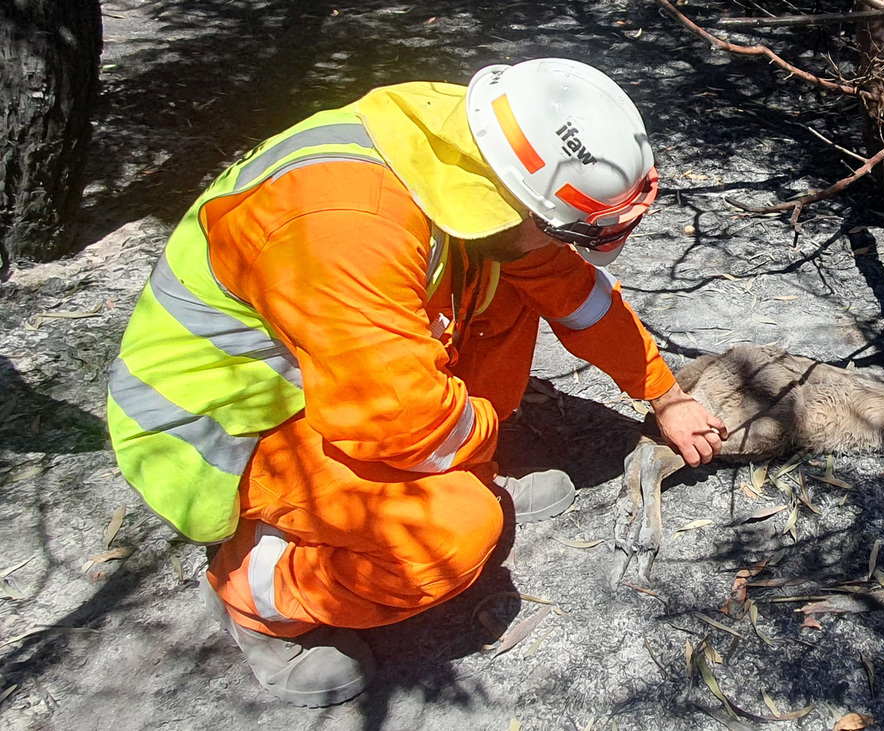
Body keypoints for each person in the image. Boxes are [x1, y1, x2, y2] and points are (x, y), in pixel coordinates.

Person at [106, 58, 727, 707]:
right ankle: (258, 594)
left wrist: (666, 393)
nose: (567, 250)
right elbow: (401, 421)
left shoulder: (469, 150)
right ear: (527, 199)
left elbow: (577, 296)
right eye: (565, 232)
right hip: (220, 423)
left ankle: (455, 470)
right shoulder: (348, 224)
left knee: (511, 283)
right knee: (452, 534)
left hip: (340, 380)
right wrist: (472, 446)